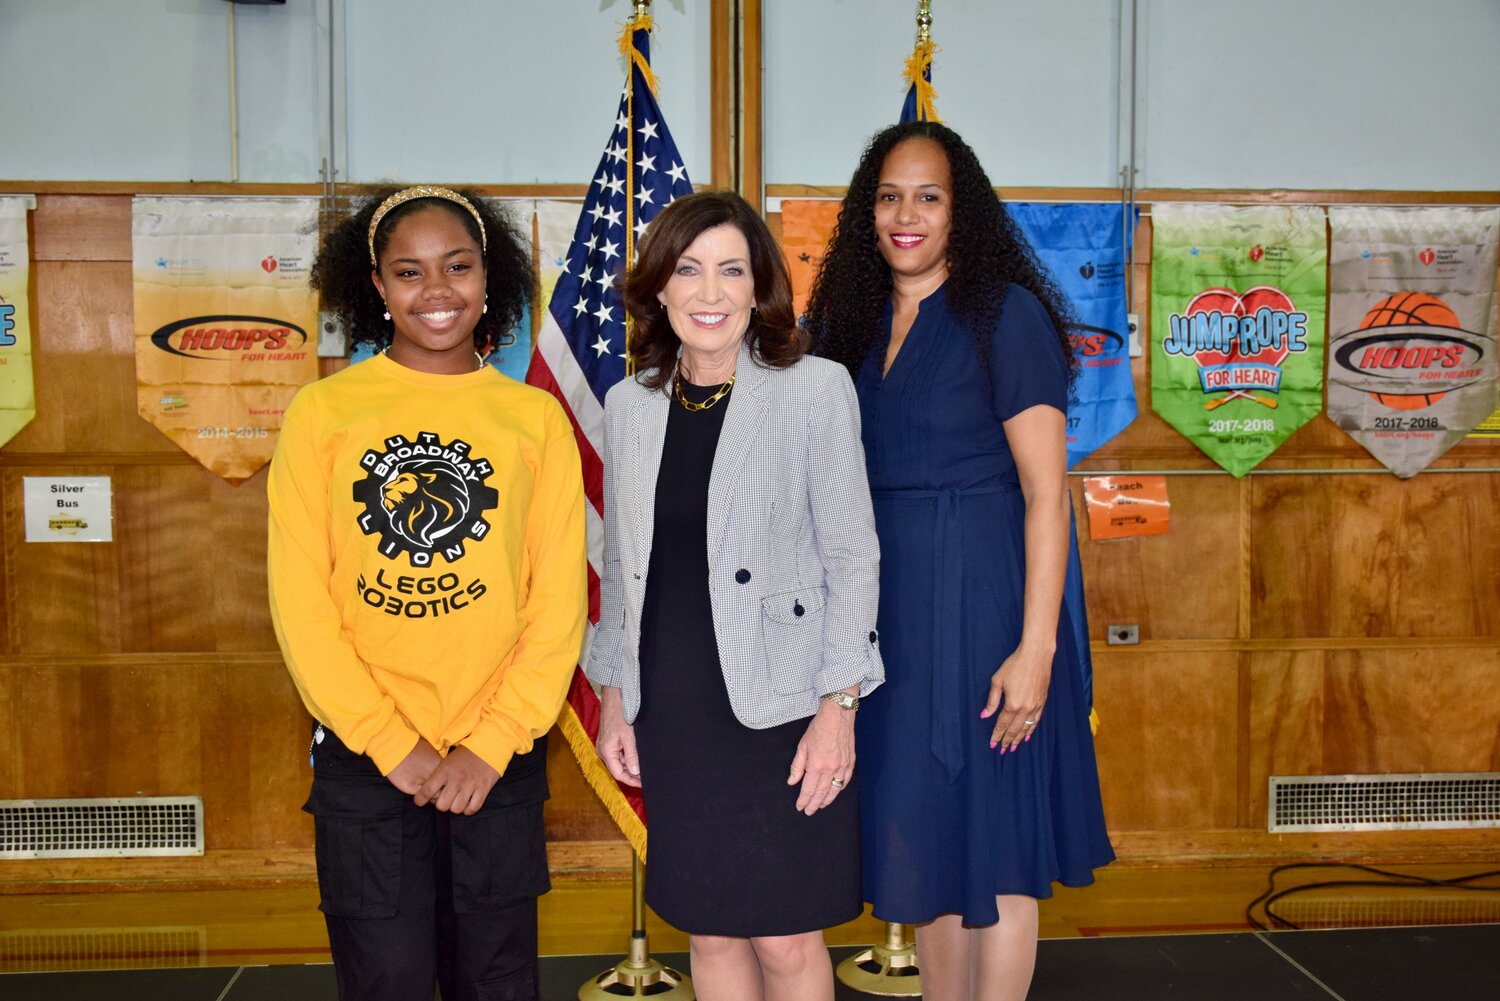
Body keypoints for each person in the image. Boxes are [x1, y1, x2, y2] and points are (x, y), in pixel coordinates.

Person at [804, 122, 1114, 1001]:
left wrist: (1037, 650)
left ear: (961, 211)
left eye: (929, 197)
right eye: (890, 196)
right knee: (923, 846)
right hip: (888, 618)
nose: (908, 215)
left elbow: (1047, 495)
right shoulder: (847, 324)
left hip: (989, 606)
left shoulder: (1004, 315)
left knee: (1000, 853)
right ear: (869, 212)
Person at [267, 185, 586, 1001]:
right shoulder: (321, 413)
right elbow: (302, 609)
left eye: (457, 267)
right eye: (409, 272)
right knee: (389, 982)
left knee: (498, 981)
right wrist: (390, 742)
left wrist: (491, 742)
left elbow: (555, 605)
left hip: (497, 759)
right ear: (375, 285)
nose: (436, 291)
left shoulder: (534, 421)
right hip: (368, 762)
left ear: (491, 277)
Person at [586, 190, 883, 1001]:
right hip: (674, 711)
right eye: (688, 270)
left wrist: (839, 705)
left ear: (760, 289)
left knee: (787, 939)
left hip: (783, 709)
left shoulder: (814, 388)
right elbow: (621, 571)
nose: (709, 293)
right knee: (710, 932)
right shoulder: (628, 404)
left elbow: (853, 556)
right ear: (659, 288)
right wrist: (615, 696)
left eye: (730, 270)